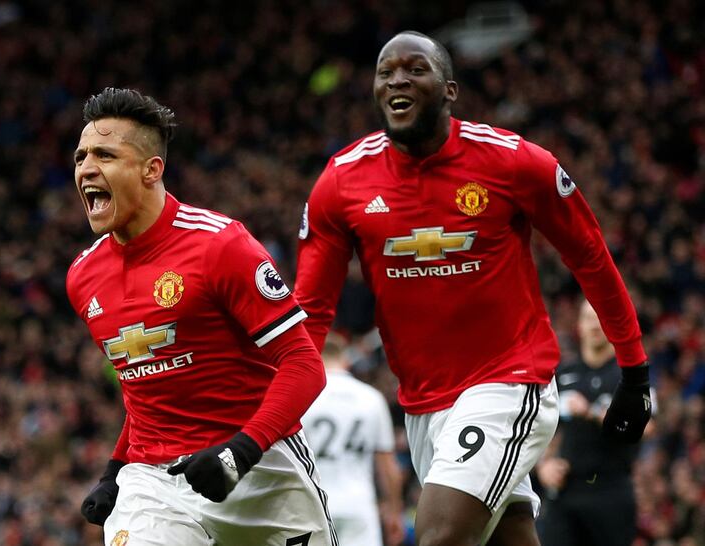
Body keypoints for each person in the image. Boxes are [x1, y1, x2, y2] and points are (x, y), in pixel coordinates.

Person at [294, 31, 652, 546]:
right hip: (423, 404)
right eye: (385, 71)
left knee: (439, 536)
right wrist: (273, 413)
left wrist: (634, 370)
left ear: (449, 90)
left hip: (509, 382)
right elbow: (311, 313)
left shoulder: (512, 162)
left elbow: (590, 256)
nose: (397, 79)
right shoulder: (343, 182)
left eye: (415, 69)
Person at [67, 87, 337, 546]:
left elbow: (305, 366)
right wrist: (116, 469)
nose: (87, 168)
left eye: (106, 155)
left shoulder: (219, 245)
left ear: (152, 170)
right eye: (80, 156)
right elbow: (147, 389)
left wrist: (240, 451)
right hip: (155, 483)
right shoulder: (83, 276)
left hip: (262, 469)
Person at [535, 300, 649, 546]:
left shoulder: (631, 375)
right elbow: (541, 429)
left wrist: (594, 414)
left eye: (601, 317)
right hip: (568, 489)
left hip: (612, 489)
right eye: (588, 317)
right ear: (579, 325)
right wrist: (543, 465)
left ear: (612, 324)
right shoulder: (563, 374)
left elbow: (648, 427)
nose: (594, 324)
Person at [301, 331, 405, 546]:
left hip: (312, 504)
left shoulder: (303, 396)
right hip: (359, 505)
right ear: (345, 359)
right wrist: (395, 512)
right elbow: (388, 466)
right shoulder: (371, 398)